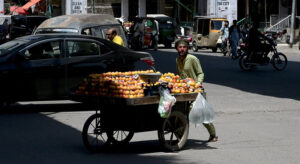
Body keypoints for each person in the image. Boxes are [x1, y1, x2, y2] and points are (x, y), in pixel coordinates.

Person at [175, 39, 218, 142]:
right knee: (179, 110)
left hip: (195, 89)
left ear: (187, 48)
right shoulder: (177, 60)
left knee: (199, 112)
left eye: (184, 47)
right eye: (180, 47)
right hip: (184, 90)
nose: (182, 49)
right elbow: (181, 75)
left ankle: (212, 134)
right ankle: (180, 136)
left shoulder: (192, 58)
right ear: (176, 48)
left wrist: (198, 83)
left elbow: (200, 73)